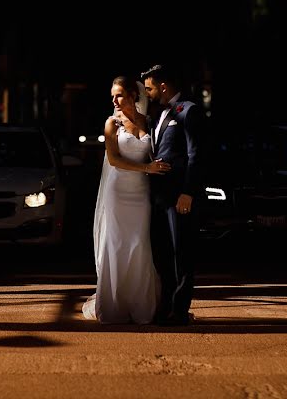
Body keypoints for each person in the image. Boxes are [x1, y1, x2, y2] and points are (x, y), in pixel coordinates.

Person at [82, 75, 171, 324]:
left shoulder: (148, 122)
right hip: (117, 192)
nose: (115, 100)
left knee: (139, 243)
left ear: (133, 95)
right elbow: (114, 160)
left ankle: (142, 306)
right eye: (113, 96)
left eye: (119, 94)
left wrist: (156, 168)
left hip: (140, 193)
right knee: (116, 243)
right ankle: (113, 306)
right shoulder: (112, 124)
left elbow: (155, 153)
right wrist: (147, 169)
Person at [141, 64, 206, 326]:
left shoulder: (189, 111)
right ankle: (165, 306)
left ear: (163, 86)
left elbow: (196, 155)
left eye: (150, 88)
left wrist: (188, 192)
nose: (148, 94)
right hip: (158, 196)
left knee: (182, 253)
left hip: (178, 196)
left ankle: (179, 311)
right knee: (163, 254)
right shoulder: (158, 114)